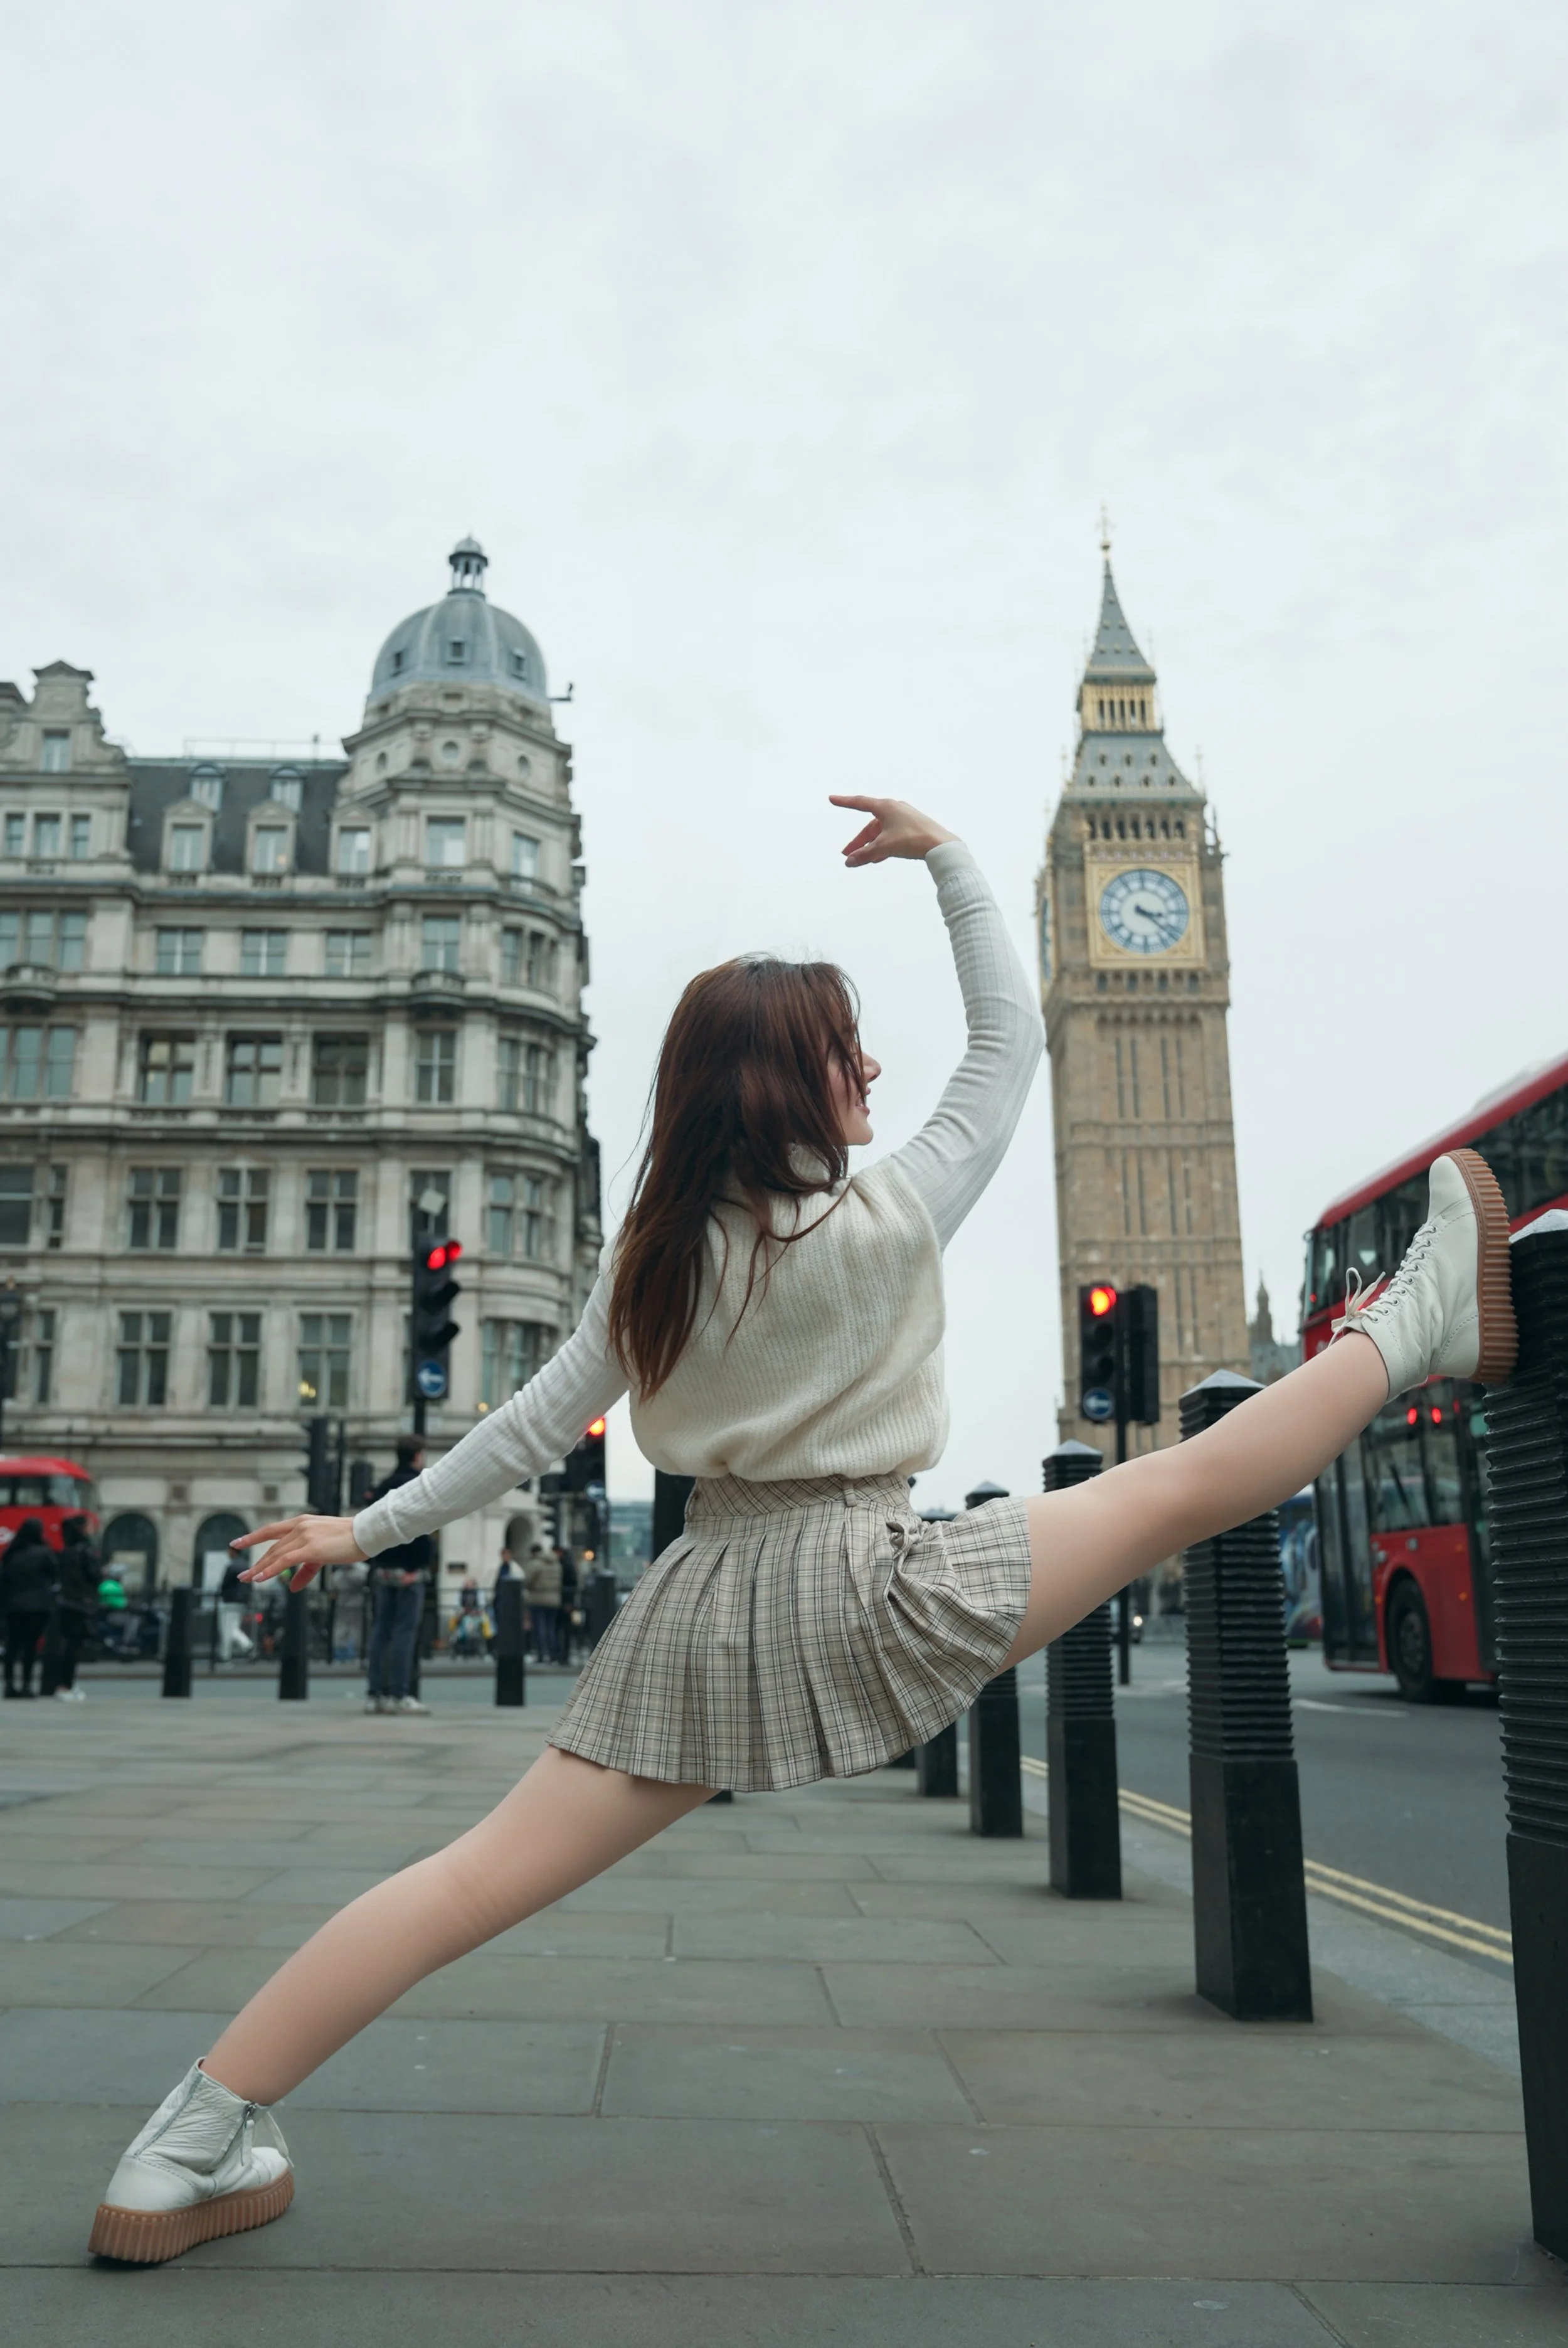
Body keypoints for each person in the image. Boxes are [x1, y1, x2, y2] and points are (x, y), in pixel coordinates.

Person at [88, 794, 1522, 2265]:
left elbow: (523, 1432)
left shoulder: (649, 1262)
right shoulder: (886, 1209)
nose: (874, 1068)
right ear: (792, 1078)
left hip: (701, 1598)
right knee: (1179, 1484)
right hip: (871, 1573)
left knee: (462, 1881)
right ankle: (1421, 1317)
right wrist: (952, 858)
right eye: (850, 1047)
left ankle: (184, 2137)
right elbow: (1009, 1040)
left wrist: (360, 1529)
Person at [361, 1437, 432, 1718]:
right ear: (417, 1455)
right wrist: (419, 1566)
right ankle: (399, 1694)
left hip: (384, 1567)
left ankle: (374, 1693)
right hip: (409, 1572)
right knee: (404, 1634)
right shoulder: (418, 1484)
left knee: (380, 1633)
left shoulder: (383, 1486)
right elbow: (422, 1526)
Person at [41, 1515, 98, 1700]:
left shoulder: (66, 1551)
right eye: (90, 1525)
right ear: (83, 1528)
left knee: (65, 1644)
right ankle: (66, 1685)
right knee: (74, 1646)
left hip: (65, 1602)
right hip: (80, 1603)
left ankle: (61, 1685)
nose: (93, 1528)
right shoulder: (87, 1550)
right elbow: (93, 1576)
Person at [3, 1520, 57, 1700]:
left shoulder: (11, 1553)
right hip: (37, 1607)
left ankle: (9, 1685)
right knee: (30, 1647)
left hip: (13, 1606)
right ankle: (27, 1685)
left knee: (12, 1646)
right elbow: (54, 1575)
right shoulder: (44, 1553)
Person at [522, 1539, 562, 1664]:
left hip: (537, 1598)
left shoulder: (536, 1564)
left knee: (539, 1628)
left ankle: (541, 1654)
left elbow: (527, 1580)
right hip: (554, 1599)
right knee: (551, 1628)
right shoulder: (556, 1563)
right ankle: (553, 1655)